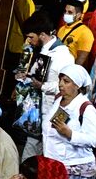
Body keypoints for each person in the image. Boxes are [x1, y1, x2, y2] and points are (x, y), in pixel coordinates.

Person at [43, 64, 96, 179]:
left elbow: (95, 139)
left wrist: (70, 134)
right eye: (60, 80)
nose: (61, 84)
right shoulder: (58, 100)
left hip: (75, 168)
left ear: (77, 85)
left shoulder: (85, 108)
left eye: (66, 81)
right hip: (55, 165)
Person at [16, 11, 77, 160]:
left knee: (50, 152)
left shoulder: (62, 56)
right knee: (30, 149)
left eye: (31, 37)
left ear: (42, 34)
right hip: (35, 111)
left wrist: (42, 86)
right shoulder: (36, 51)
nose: (28, 40)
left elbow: (69, 89)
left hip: (54, 111)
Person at [57, 0, 95, 67]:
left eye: (70, 12)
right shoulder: (61, 29)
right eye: (65, 11)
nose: (66, 14)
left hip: (69, 69)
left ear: (78, 15)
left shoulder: (85, 32)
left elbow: (81, 60)